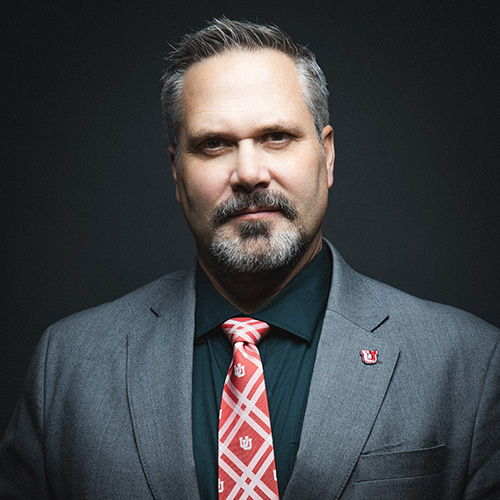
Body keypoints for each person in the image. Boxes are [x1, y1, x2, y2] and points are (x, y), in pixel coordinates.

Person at [0, 18, 499, 500]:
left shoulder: (469, 365)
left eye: (276, 137)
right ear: (176, 173)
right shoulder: (66, 367)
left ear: (327, 156)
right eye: (214, 144)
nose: (249, 172)